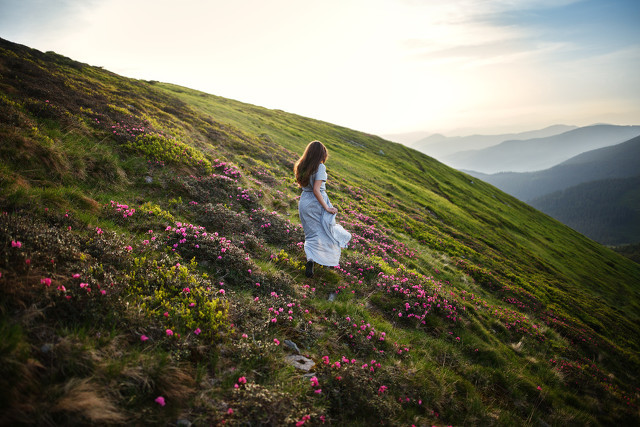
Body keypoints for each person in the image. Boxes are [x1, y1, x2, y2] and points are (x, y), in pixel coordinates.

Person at [294, 140, 351, 277]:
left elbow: (306, 187)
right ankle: (328, 263)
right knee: (328, 231)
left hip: (304, 202)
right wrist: (326, 207)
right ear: (321, 154)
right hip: (317, 203)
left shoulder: (301, 165)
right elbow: (316, 189)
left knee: (311, 235)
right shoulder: (320, 167)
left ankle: (310, 260)